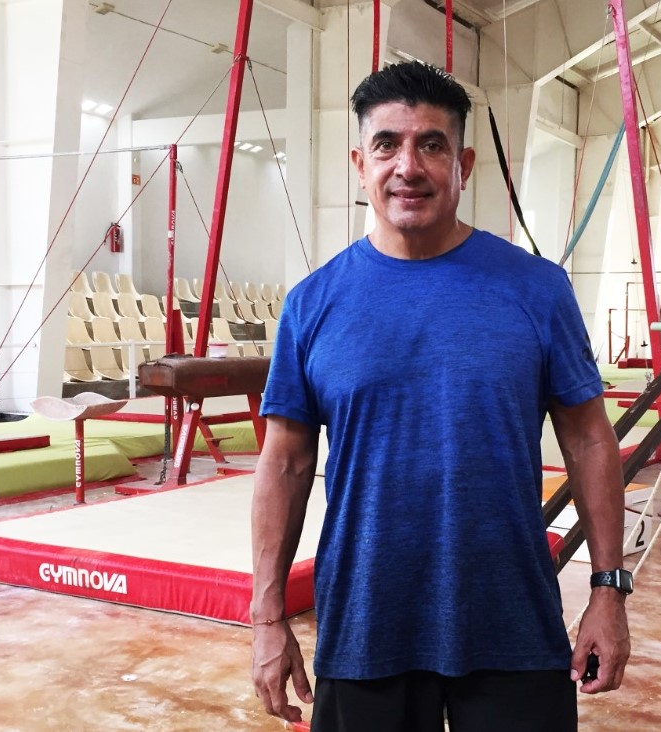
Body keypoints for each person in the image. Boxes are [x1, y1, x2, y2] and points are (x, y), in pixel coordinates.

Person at [250, 61, 630, 732]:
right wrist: (266, 616)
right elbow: (284, 464)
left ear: (464, 165)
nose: (408, 166)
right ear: (359, 165)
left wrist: (608, 588)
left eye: (431, 144)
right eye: (386, 145)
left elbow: (588, 438)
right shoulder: (312, 304)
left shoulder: (536, 289)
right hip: (366, 626)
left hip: (512, 625)